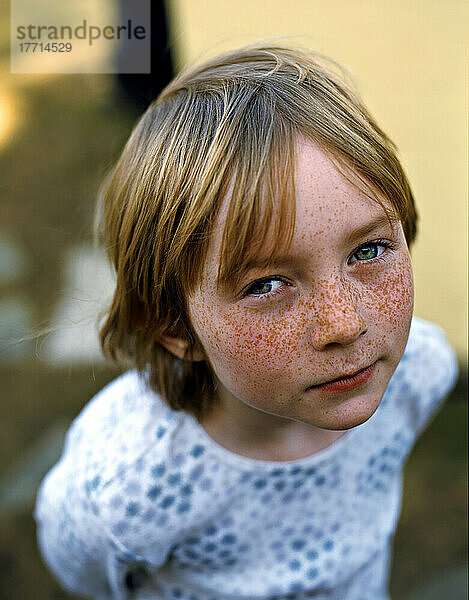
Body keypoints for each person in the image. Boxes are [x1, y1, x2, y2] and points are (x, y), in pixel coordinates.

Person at [34, 43, 458, 600]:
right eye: (265, 285)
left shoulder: (419, 373)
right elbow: (84, 572)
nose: (344, 323)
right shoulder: (126, 484)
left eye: (369, 250)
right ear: (177, 328)